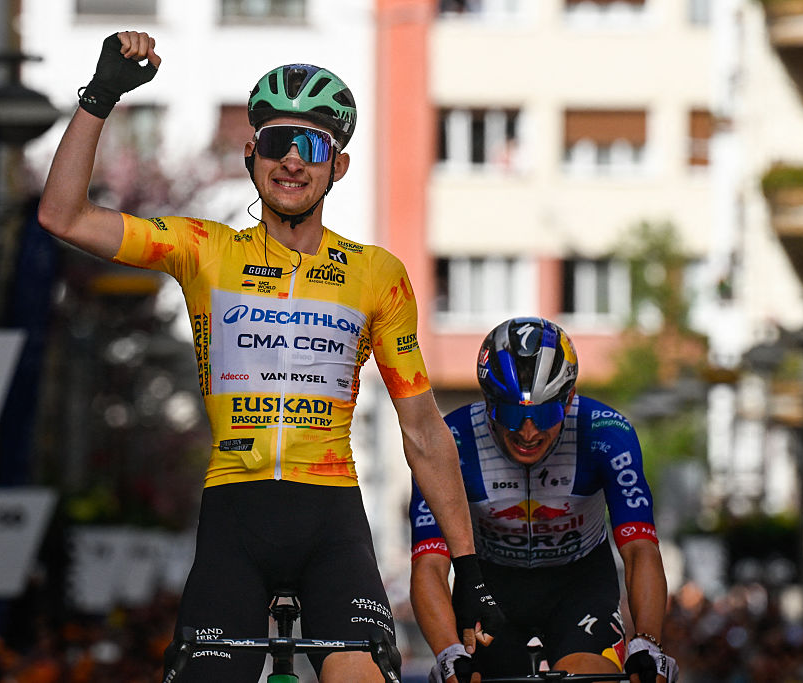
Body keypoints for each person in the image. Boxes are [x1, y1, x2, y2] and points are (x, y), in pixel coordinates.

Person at [37, 31, 504, 682]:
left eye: (310, 146)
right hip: (236, 515)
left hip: (331, 517)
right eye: (276, 143)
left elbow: (423, 429)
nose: (291, 161)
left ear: (337, 165)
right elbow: (62, 216)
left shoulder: (377, 274)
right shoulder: (205, 249)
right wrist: (101, 95)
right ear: (251, 152)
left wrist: (470, 566)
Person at [408, 317, 679, 683]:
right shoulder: (452, 442)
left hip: (580, 585)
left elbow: (640, 548)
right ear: (488, 402)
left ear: (568, 400)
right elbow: (429, 563)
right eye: (511, 413)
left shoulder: (606, 433)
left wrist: (647, 642)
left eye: (545, 413)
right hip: (491, 587)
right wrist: (447, 651)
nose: (528, 431)